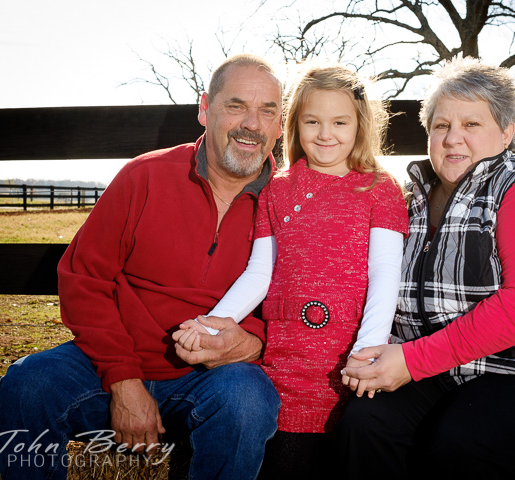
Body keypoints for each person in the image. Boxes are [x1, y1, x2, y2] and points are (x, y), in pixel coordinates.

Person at [0, 53, 284, 480]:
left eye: (267, 111)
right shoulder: (144, 176)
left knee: (248, 399)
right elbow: (83, 278)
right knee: (28, 382)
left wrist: (251, 344)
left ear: (280, 124)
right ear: (205, 109)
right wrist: (123, 379)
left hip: (210, 380)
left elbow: (302, 307)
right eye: (236, 105)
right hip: (108, 364)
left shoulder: (291, 202)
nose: (252, 124)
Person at [337, 56, 515, 480]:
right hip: (442, 371)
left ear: (507, 132)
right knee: (363, 422)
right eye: (441, 125)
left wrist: (410, 361)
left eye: (472, 125)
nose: (452, 138)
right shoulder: (409, 201)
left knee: (457, 443)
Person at [173, 63, 409, 478]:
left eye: (339, 122)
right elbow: (258, 273)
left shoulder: (379, 189)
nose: (325, 134)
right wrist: (212, 326)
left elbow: (386, 273)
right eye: (312, 121)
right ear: (293, 124)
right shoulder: (277, 189)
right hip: (287, 361)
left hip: (350, 359)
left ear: (360, 124)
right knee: (284, 457)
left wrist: (369, 347)